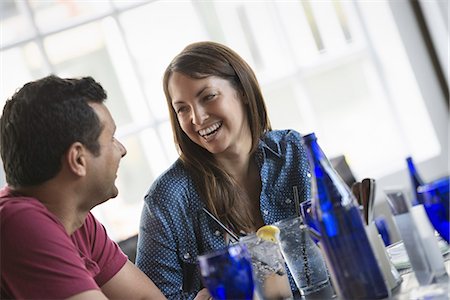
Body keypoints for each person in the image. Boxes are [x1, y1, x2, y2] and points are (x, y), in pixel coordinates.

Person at [136, 41, 311, 299]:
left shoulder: (293, 152)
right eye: (182, 109)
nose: (196, 118)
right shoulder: (166, 200)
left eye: (208, 97)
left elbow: (341, 241)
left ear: (241, 90)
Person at [0, 75, 166, 299]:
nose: (122, 149)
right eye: (111, 139)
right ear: (78, 160)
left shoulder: (75, 220)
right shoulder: (18, 222)